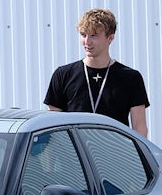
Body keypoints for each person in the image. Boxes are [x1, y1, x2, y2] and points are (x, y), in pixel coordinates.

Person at [44, 8, 150, 137]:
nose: (87, 42)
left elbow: (140, 128)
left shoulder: (131, 77)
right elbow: (51, 127)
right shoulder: (63, 75)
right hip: (73, 155)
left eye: (94, 35)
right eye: (83, 35)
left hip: (116, 153)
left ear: (110, 38)